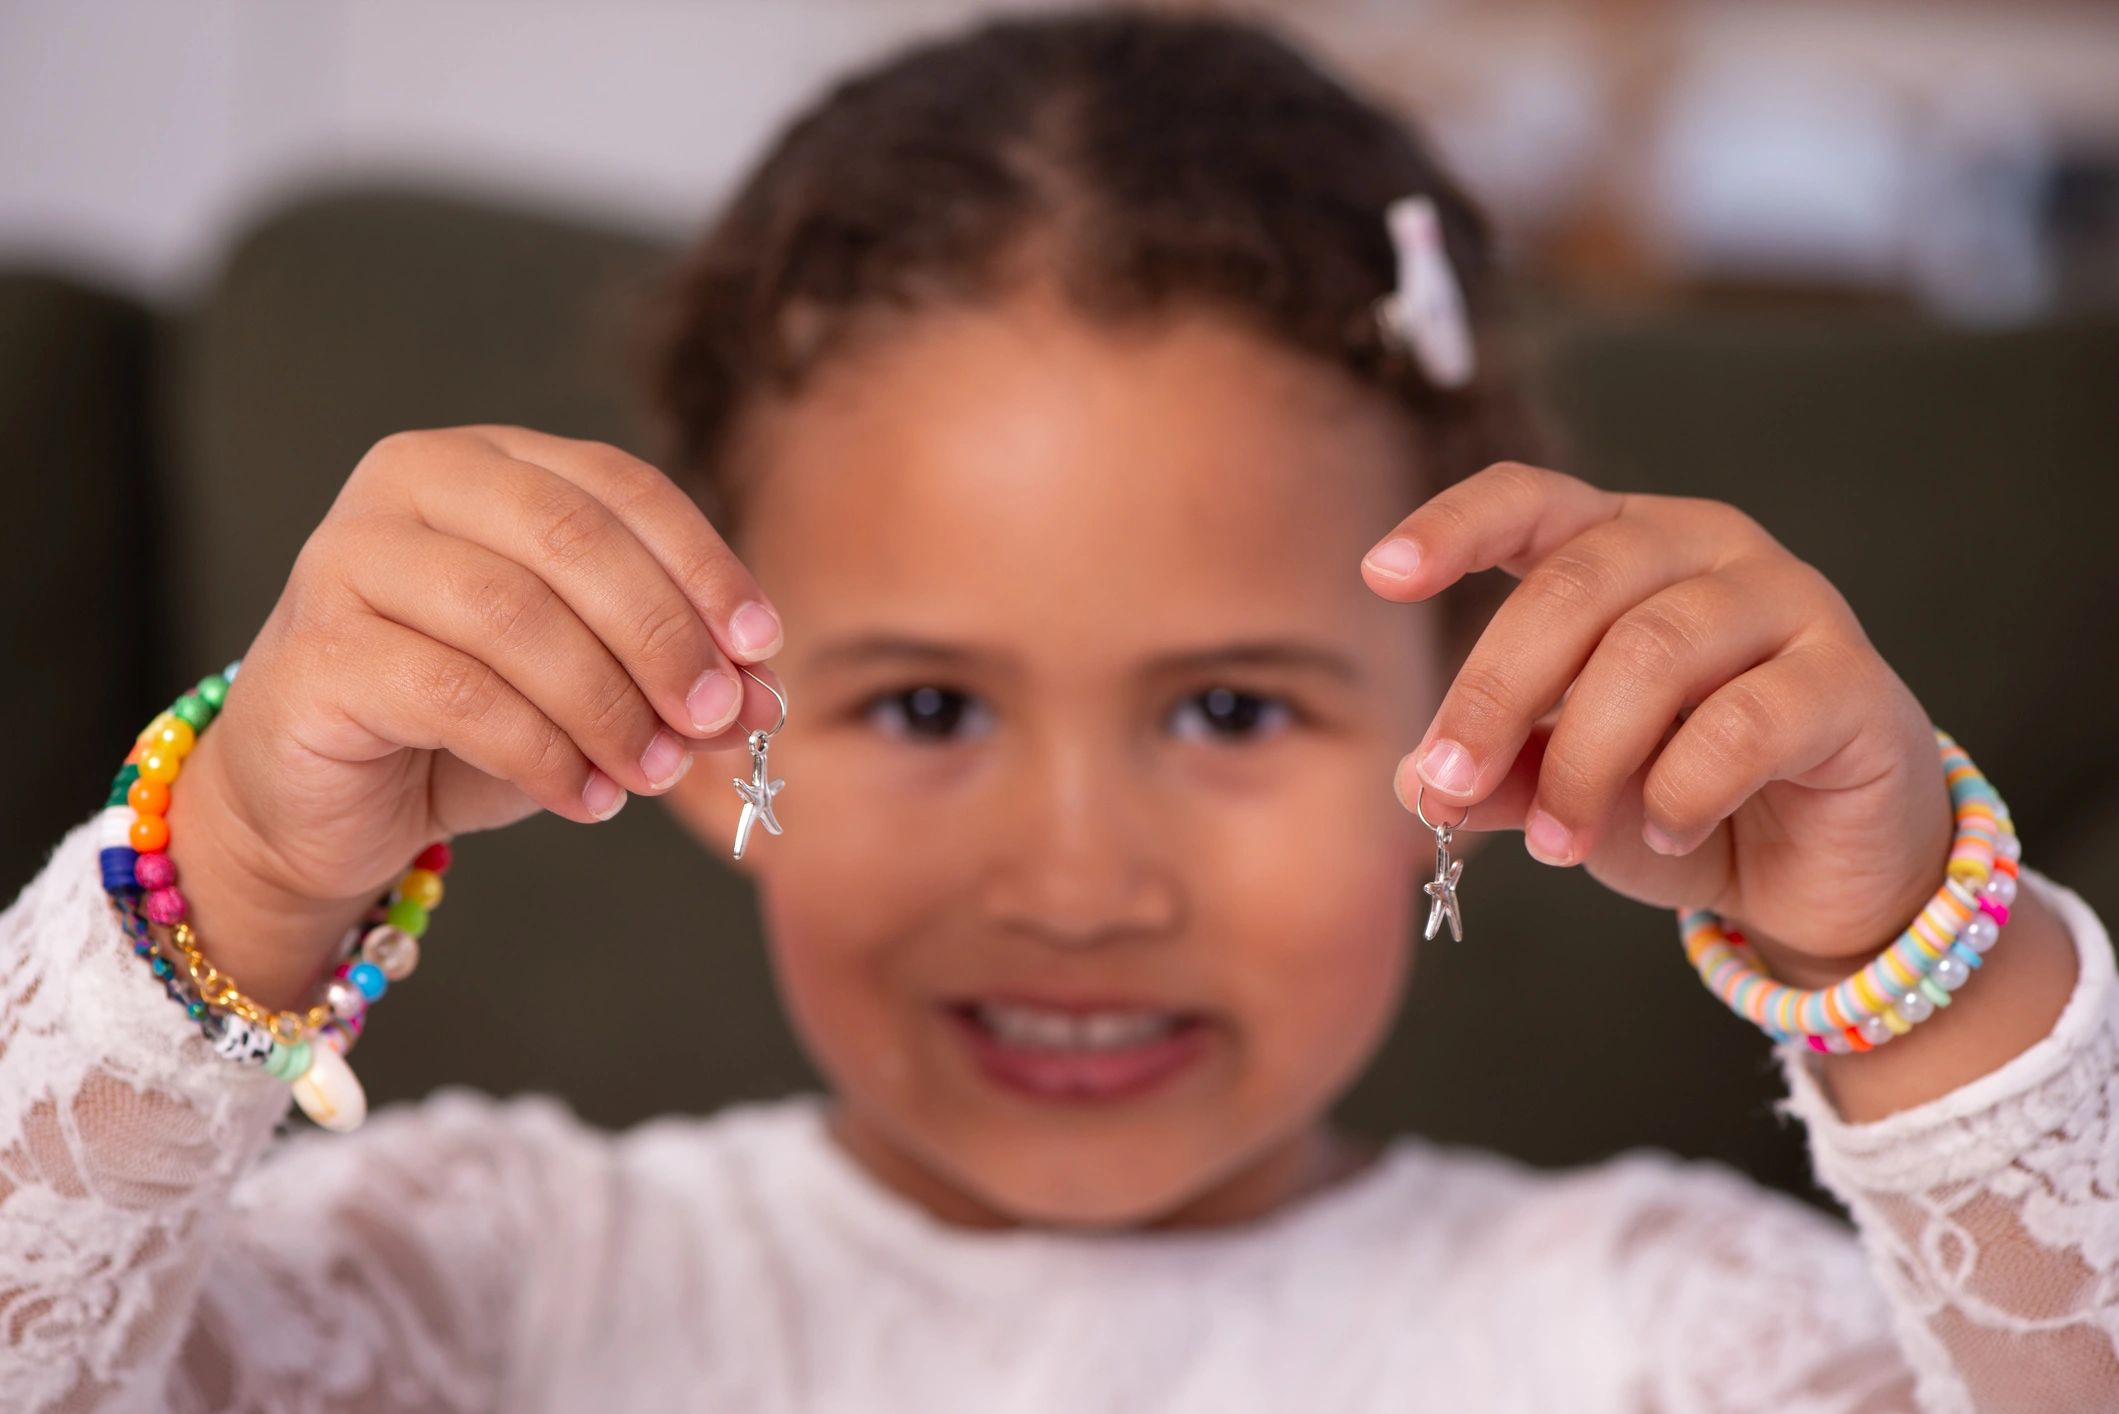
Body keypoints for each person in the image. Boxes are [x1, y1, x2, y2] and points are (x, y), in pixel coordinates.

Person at [4, 10, 2114, 1412]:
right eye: (924, 700)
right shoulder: (463, 1286)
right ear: (675, 715)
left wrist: (1910, 954)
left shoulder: (1658, 1334)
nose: (1079, 877)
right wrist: (249, 873)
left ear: (1472, 723)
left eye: (1224, 709)